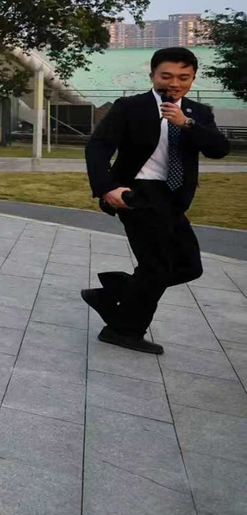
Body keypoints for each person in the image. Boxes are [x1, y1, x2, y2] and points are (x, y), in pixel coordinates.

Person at [83, 47, 230, 355]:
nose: (174, 83)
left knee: (189, 266)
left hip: (174, 197)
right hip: (136, 194)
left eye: (183, 77)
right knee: (157, 266)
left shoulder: (198, 114)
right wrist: (107, 188)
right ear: (152, 75)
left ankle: (116, 290)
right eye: (166, 76)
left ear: (192, 79)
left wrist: (185, 124)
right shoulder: (129, 107)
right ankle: (124, 330)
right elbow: (98, 147)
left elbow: (219, 149)